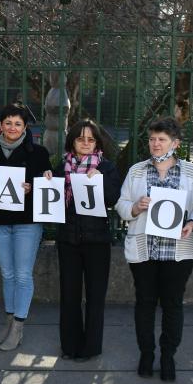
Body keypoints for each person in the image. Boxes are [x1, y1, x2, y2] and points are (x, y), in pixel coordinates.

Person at [115, 117, 193, 381]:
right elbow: (121, 204)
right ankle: (146, 353)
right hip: (144, 249)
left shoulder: (190, 172)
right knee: (144, 303)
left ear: (175, 143)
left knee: (172, 304)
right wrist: (135, 208)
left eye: (162, 139)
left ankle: (168, 356)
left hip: (178, 251)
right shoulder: (136, 171)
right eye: (152, 139)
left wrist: (192, 223)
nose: (155, 144)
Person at [53, 118, 122, 361]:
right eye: (80, 138)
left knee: (95, 296)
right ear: (72, 140)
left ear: (97, 143)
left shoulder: (107, 167)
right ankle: (69, 346)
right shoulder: (62, 167)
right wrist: (48, 181)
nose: (85, 143)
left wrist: (99, 180)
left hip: (97, 241)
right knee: (69, 295)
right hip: (68, 240)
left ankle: (90, 347)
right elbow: (52, 202)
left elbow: (113, 198)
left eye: (90, 139)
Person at [0, 103, 50, 351]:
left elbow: (50, 185)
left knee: (22, 274)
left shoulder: (39, 153)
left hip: (27, 223)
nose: (12, 128)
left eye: (18, 124)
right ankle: (9, 321)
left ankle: (18, 327)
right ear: (1, 126)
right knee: (7, 274)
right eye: (8, 123)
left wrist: (34, 188)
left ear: (25, 127)